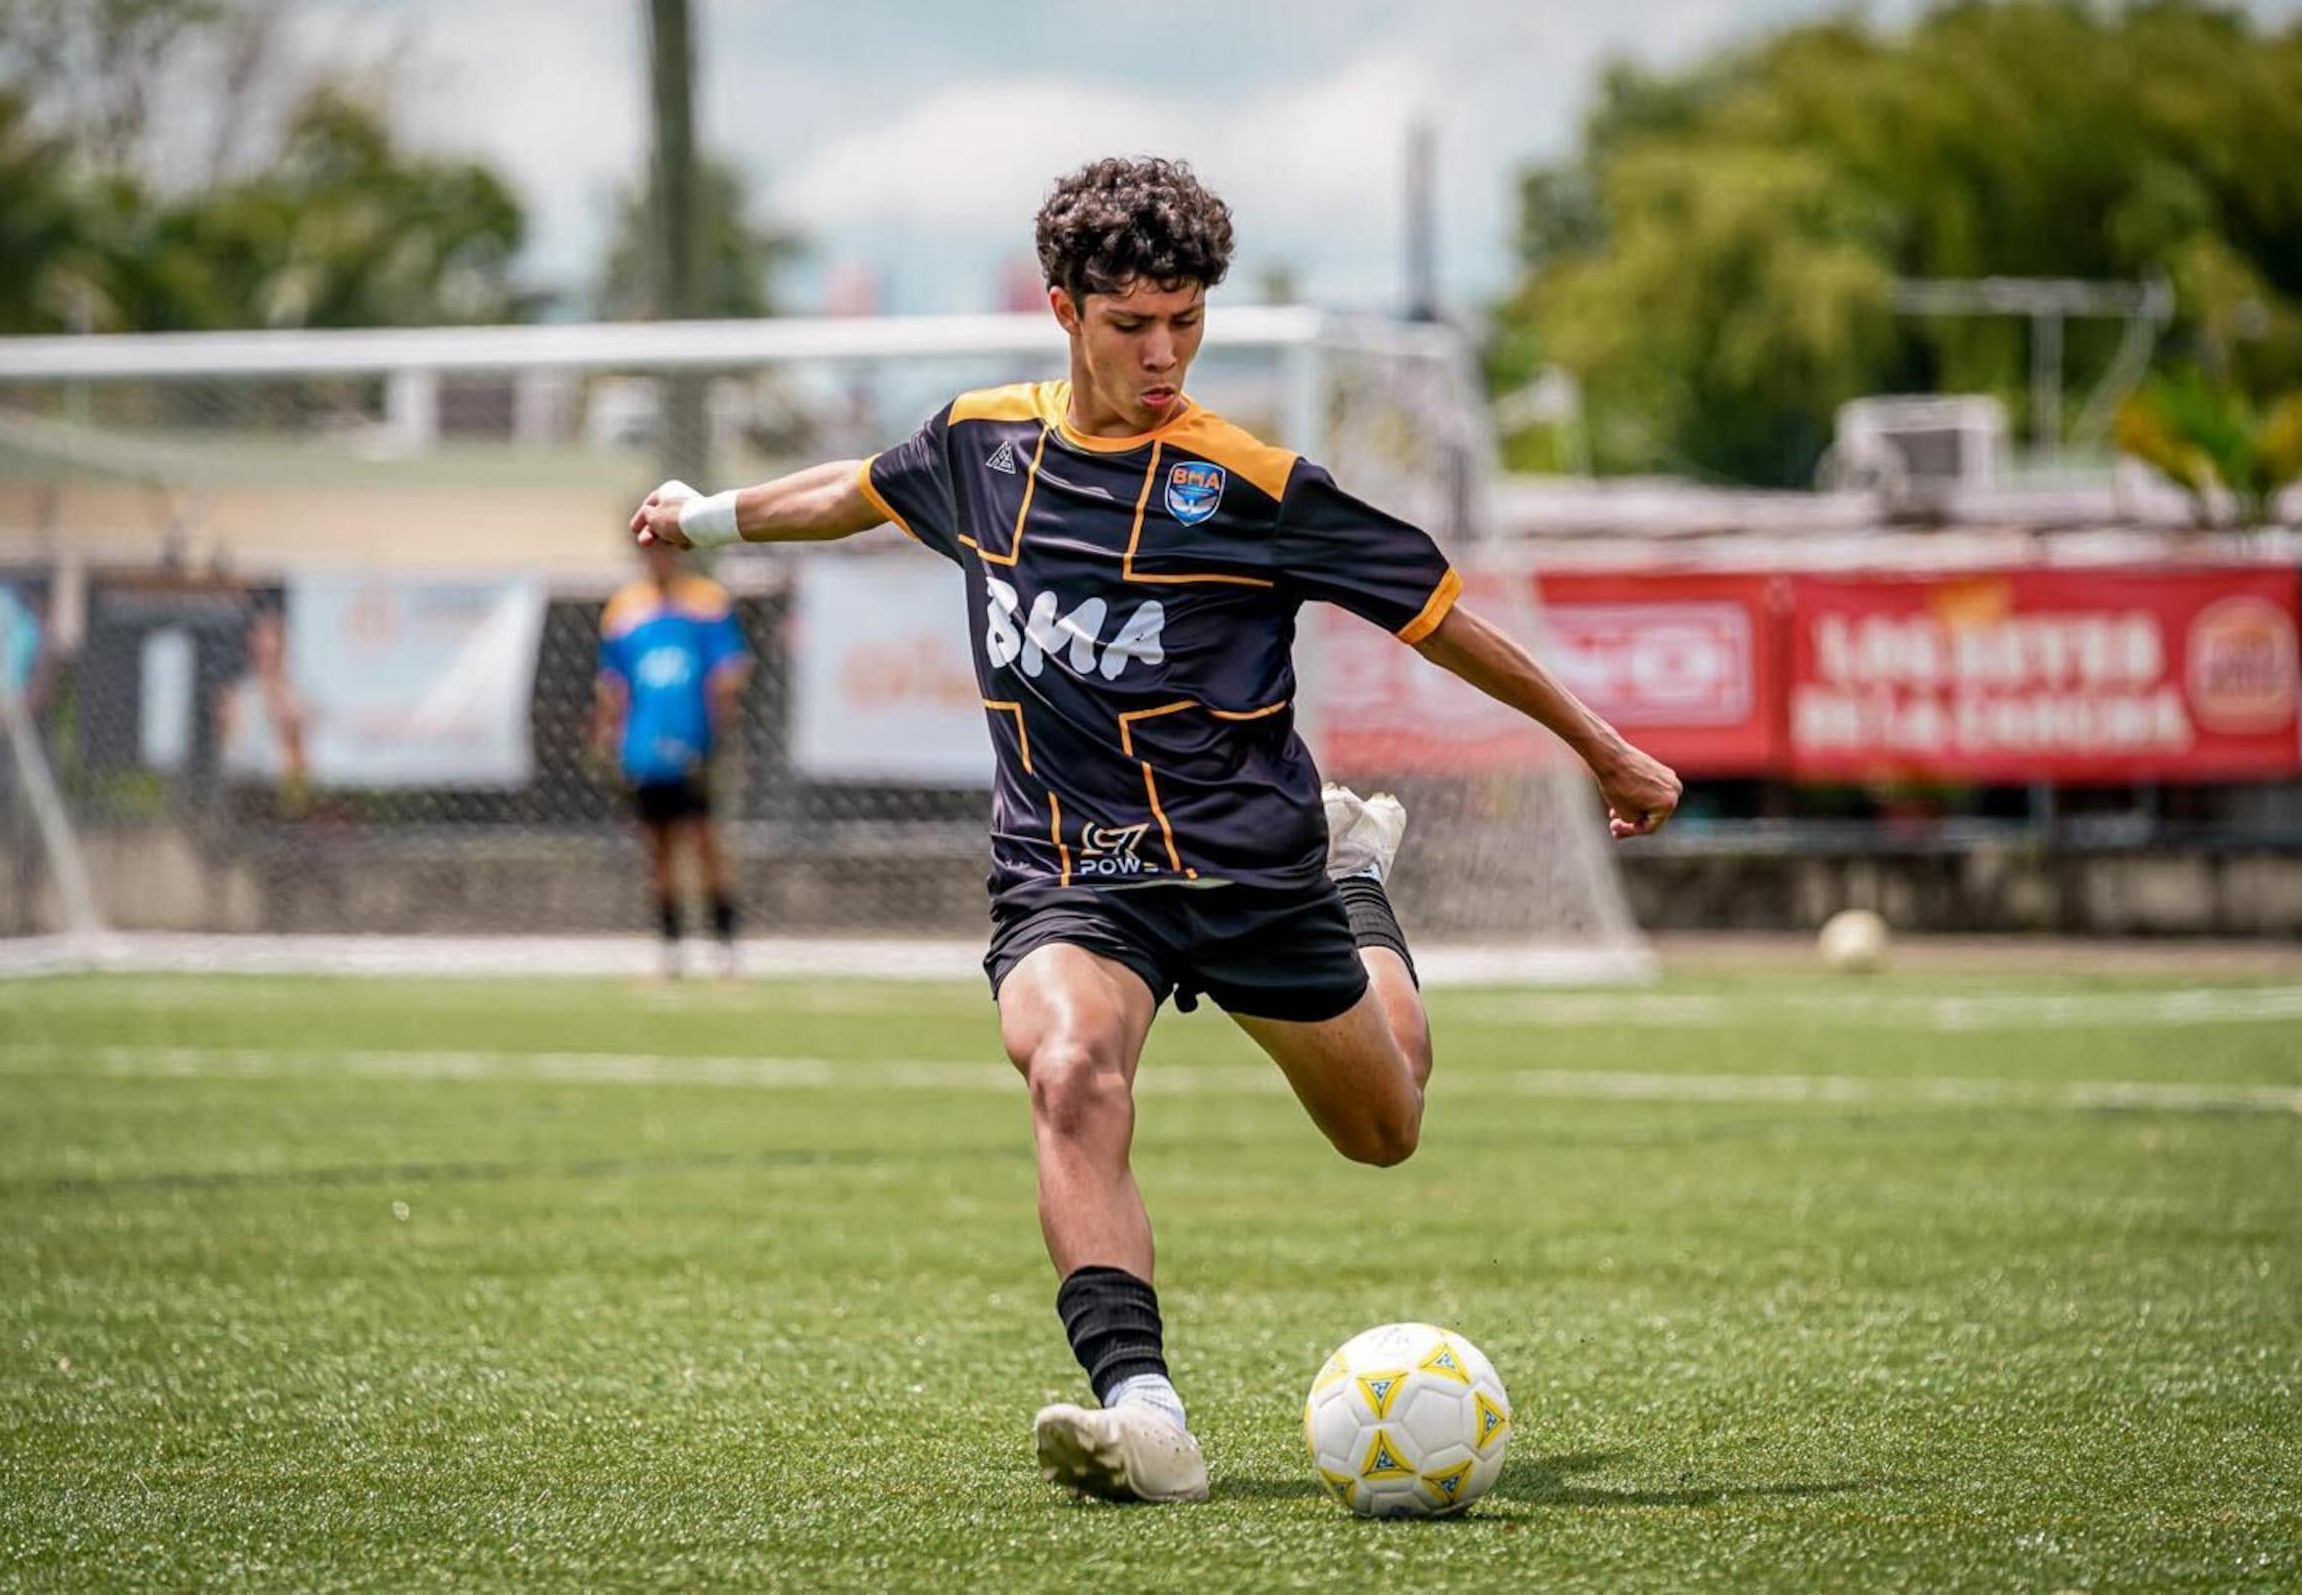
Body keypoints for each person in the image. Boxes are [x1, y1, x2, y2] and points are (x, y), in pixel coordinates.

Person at [630, 157, 1681, 1501]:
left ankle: (1357, 880)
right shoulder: (978, 445)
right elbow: (859, 490)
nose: (1165, 353)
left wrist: (1603, 747)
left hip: (1251, 869)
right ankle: (1144, 1408)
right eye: (1134, 325)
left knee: (1386, 1126)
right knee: (1069, 1068)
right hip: (1072, 878)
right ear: (1066, 310)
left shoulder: (1248, 483)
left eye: (1187, 322)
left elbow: (1441, 614)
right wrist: (706, 514)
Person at [593, 541, 754, 978]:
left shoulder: (706, 601)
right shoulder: (624, 610)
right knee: (657, 850)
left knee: (705, 844)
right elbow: (613, 684)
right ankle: (671, 946)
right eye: (651, 552)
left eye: (666, 551)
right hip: (644, 749)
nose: (659, 560)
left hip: (694, 745)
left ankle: (724, 944)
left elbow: (729, 671)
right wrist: (608, 737)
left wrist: (717, 735)